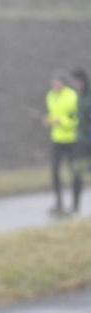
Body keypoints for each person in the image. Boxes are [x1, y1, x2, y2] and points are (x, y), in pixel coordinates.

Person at [43, 70, 80, 217]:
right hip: (57, 140)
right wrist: (49, 120)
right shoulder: (50, 96)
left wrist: (61, 121)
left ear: (63, 83)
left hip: (72, 140)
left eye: (57, 82)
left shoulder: (72, 96)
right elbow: (54, 114)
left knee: (76, 172)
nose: (54, 84)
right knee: (55, 171)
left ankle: (75, 206)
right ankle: (59, 203)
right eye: (53, 82)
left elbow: (76, 120)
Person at [70, 68, 90, 214]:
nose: (75, 84)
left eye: (77, 81)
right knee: (77, 172)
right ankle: (75, 207)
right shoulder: (79, 95)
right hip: (82, 140)